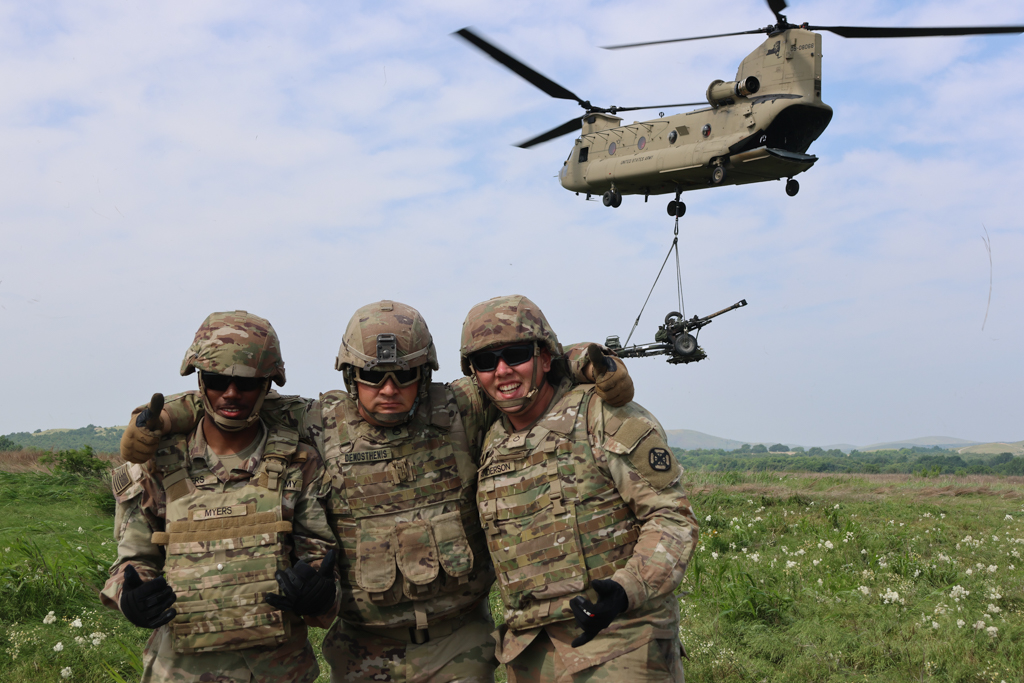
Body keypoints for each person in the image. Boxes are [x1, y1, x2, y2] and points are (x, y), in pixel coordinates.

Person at [118, 300, 634, 683]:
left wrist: (593, 363)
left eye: (404, 375)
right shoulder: (319, 420)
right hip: (361, 650)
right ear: (348, 376)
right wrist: (164, 416)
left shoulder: (459, 409)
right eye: (371, 376)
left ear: (425, 372)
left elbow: (517, 362)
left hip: (459, 643)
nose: (388, 389)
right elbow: (239, 391)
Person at [460, 295, 700, 683]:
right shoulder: (489, 440)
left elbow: (671, 517)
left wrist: (626, 589)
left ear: (543, 357)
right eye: (486, 362)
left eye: (516, 355)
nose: (502, 371)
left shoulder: (600, 415)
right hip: (530, 654)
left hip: (620, 643)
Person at [101, 311, 339, 683]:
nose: (230, 393)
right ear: (200, 381)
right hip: (180, 670)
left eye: (245, 383)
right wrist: (131, 598)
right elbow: (131, 563)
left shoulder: (298, 462)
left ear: (266, 385)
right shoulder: (158, 465)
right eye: (216, 380)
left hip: (278, 670)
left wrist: (318, 592)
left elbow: (321, 558)